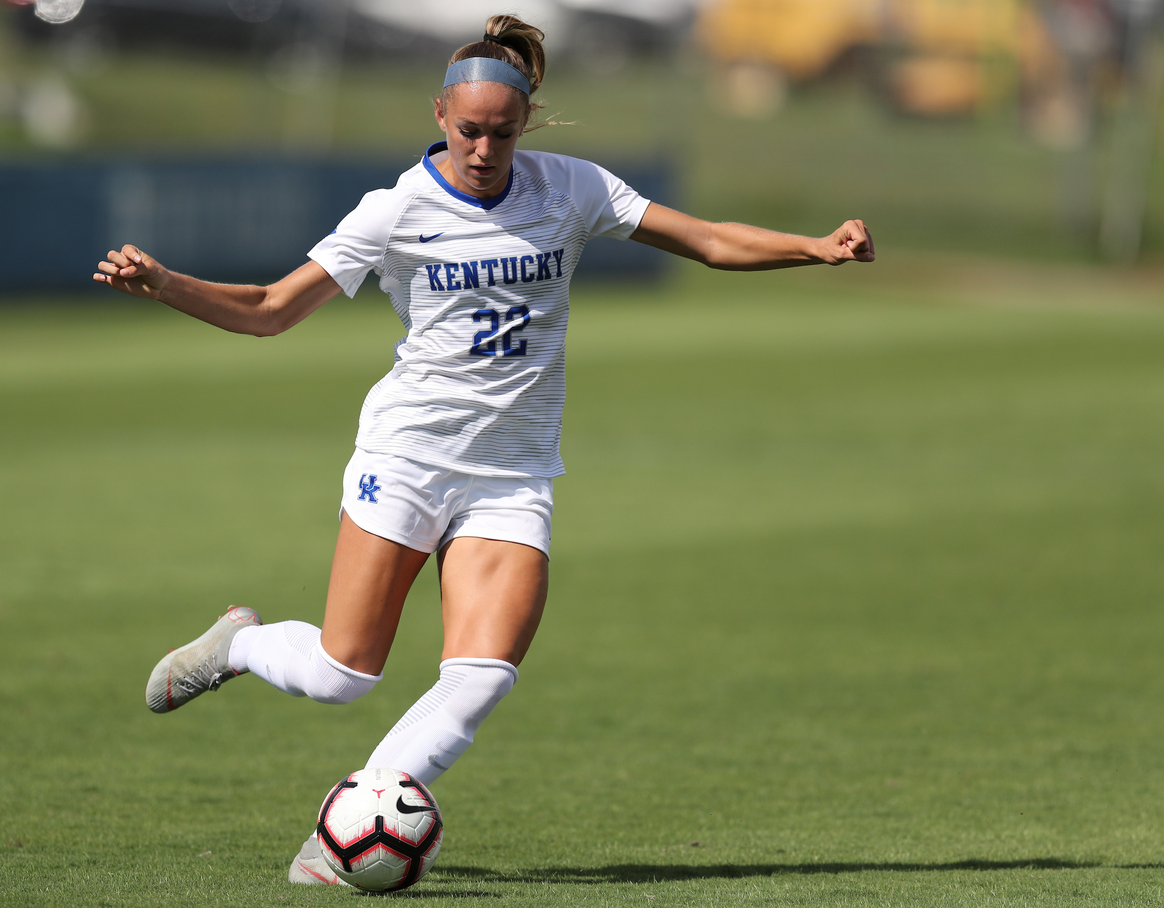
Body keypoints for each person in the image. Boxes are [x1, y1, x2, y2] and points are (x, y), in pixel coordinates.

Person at [93, 14, 875, 888]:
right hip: (409, 456)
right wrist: (163, 283)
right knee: (343, 673)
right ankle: (238, 645)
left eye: (502, 132)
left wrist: (813, 247)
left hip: (513, 474)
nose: (483, 148)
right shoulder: (396, 211)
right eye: (468, 130)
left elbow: (707, 239)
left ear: (526, 122)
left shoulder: (572, 189)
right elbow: (272, 306)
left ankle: (345, 831)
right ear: (439, 114)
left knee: (483, 674)